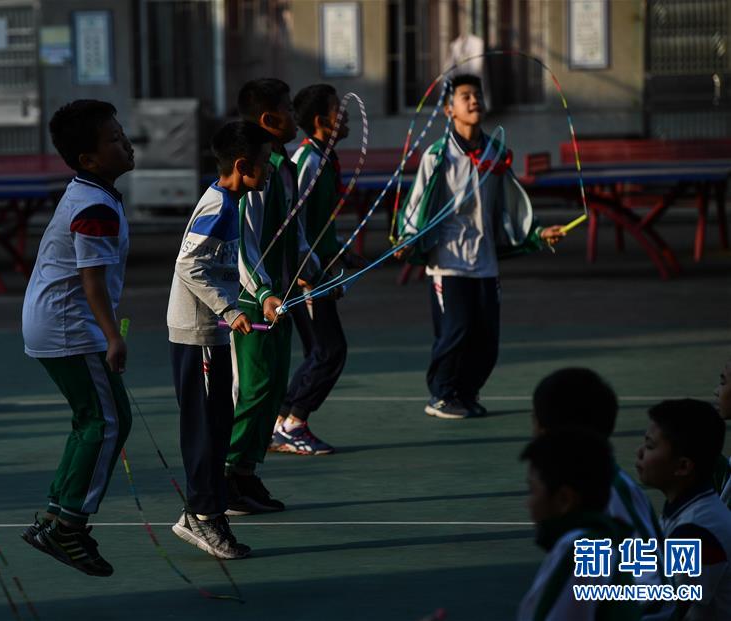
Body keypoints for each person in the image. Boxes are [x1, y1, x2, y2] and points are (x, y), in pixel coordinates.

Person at [395, 74, 565, 419]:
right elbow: (416, 202)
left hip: (485, 261)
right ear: (449, 110)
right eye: (465, 96)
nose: (474, 101)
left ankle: (467, 393)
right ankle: (441, 395)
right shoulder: (437, 155)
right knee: (455, 330)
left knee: (487, 337)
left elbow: (510, 206)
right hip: (448, 260)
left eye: (478, 95)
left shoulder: (495, 153)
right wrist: (408, 237)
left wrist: (537, 233)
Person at [20, 99, 134, 577]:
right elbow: (91, 280)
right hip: (69, 326)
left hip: (54, 321)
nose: (126, 143)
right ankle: (70, 527)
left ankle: (54, 517)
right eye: (114, 139)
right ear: (88, 159)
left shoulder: (93, 193)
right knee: (109, 421)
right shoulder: (94, 205)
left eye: (121, 134)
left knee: (91, 419)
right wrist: (113, 336)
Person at [167, 121, 275, 558]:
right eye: (265, 162)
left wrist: (259, 297)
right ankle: (201, 515)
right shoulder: (219, 207)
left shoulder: (231, 202)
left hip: (211, 332)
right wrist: (231, 310)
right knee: (205, 432)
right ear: (242, 165)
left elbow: (226, 266)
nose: (270, 169)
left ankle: (206, 510)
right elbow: (188, 266)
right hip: (197, 334)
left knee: (217, 425)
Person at [225, 78, 318, 514]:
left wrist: (309, 267)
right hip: (251, 304)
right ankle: (226, 478)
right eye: (289, 109)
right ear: (269, 119)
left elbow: (291, 228)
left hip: (278, 299)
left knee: (273, 389)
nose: (296, 117)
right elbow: (243, 244)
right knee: (252, 392)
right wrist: (262, 291)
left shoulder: (283, 165)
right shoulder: (254, 173)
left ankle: (246, 474)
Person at [533, 368, 674, 620]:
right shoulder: (582, 486)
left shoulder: (611, 490)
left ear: (547, 432)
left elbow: (654, 585)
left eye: (536, 419)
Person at [270, 83, 361, 456]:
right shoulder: (307, 161)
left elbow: (321, 223)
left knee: (320, 351)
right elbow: (296, 221)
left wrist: (340, 254)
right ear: (322, 121)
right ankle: (292, 423)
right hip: (306, 277)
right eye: (338, 108)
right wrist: (311, 270)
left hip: (318, 270)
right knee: (328, 351)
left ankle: (279, 422)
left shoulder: (326, 157)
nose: (346, 114)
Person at [517, 429, 640, 621]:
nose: (527, 503)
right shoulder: (600, 543)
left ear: (565, 500)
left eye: (532, 490)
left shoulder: (580, 552)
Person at [636, 399, 731, 620]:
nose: (639, 452)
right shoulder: (686, 509)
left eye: (650, 446)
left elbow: (669, 610)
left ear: (683, 466)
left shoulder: (696, 530)